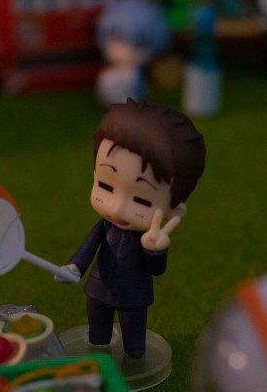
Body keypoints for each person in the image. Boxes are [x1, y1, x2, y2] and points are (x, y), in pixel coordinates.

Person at [59, 99, 206, 358]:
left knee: (135, 342)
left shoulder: (149, 237)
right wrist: (75, 266)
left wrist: (155, 251)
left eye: (142, 200)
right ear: (95, 175)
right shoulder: (104, 226)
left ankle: (135, 353)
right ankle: (98, 343)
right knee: (97, 333)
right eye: (106, 186)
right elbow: (88, 248)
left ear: (173, 209)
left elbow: (156, 270)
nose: (117, 209)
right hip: (98, 288)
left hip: (133, 296)